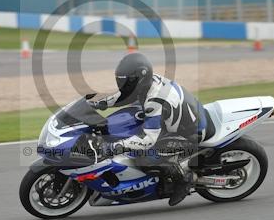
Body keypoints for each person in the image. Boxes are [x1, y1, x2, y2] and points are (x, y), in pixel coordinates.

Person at [89, 53, 215, 206]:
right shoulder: (148, 82)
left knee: (144, 156)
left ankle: (183, 180)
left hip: (191, 134)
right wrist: (97, 104)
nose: (123, 85)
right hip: (183, 120)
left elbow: (148, 139)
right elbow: (124, 96)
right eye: (122, 81)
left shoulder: (155, 100)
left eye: (127, 82)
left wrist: (116, 146)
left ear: (139, 79)